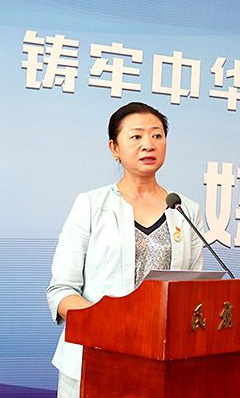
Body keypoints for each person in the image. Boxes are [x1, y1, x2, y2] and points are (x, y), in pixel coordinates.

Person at [46, 102, 204, 397]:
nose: (148, 144)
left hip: (165, 365)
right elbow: (62, 291)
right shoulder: (91, 205)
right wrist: (112, 324)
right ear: (114, 148)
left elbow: (193, 293)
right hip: (95, 360)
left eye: (157, 135)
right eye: (136, 136)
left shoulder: (185, 209)